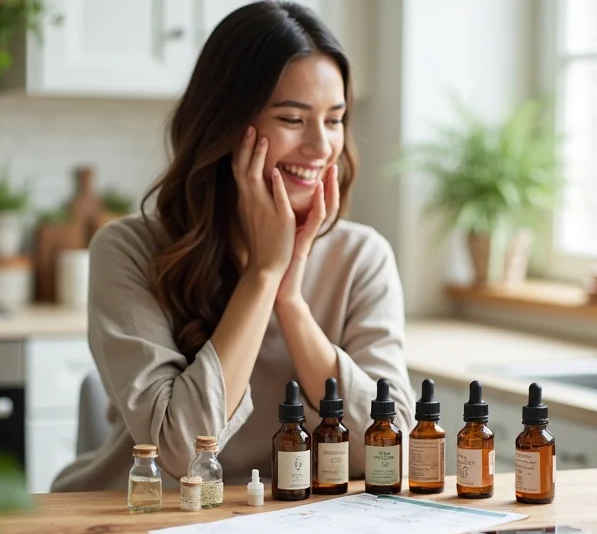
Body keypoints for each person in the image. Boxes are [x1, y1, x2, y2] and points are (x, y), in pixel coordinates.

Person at [51, 0, 415, 492]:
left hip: (298, 530)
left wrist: (290, 300)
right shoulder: (128, 250)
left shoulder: (362, 258)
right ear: (225, 125)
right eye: (292, 118)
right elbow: (180, 453)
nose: (321, 146)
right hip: (143, 521)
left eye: (334, 119)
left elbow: (392, 455)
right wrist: (263, 275)